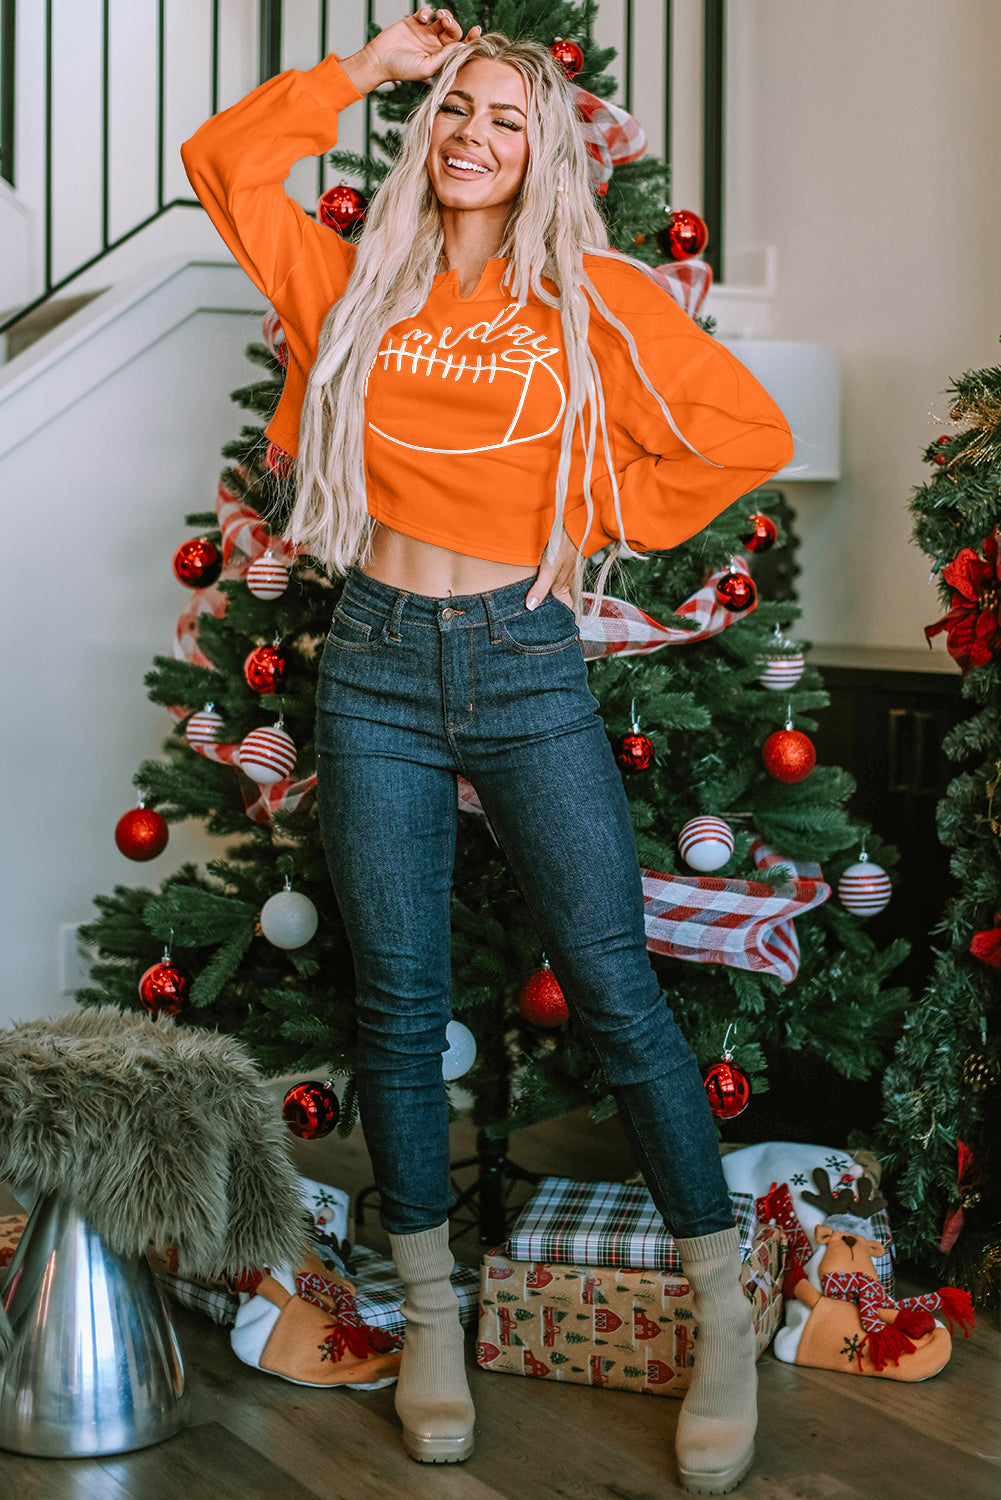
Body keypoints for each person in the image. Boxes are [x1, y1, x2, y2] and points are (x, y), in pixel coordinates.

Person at [182, 9, 793, 1493]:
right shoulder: (354, 282)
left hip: (524, 665)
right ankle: (435, 1321)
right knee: (394, 1005)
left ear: (546, 151)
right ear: (425, 131)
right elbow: (225, 162)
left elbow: (741, 433)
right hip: (378, 661)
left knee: (615, 989)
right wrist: (369, 68)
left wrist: (586, 518)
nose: (474, 136)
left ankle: (718, 1316)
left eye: (507, 117)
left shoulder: (588, 295)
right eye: (455, 110)